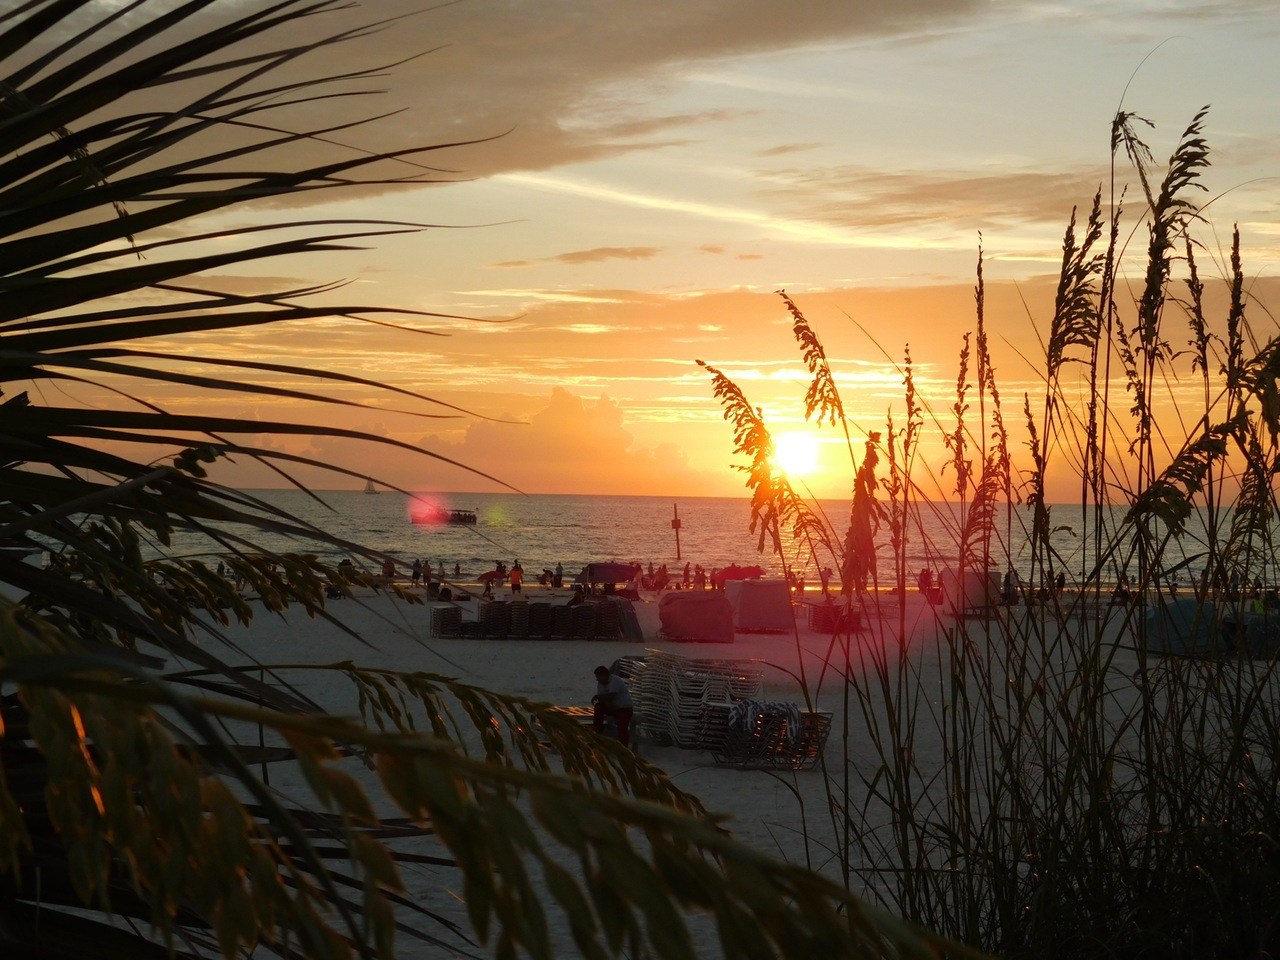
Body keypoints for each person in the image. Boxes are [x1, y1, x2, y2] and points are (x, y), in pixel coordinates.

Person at [591, 665, 635, 749]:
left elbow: (611, 695)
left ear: (604, 675)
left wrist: (597, 697)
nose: (597, 679)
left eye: (598, 677)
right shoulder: (600, 684)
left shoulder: (616, 680)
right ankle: (597, 732)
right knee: (598, 707)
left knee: (622, 727)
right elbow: (604, 698)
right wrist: (606, 703)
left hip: (624, 708)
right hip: (612, 707)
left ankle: (623, 748)